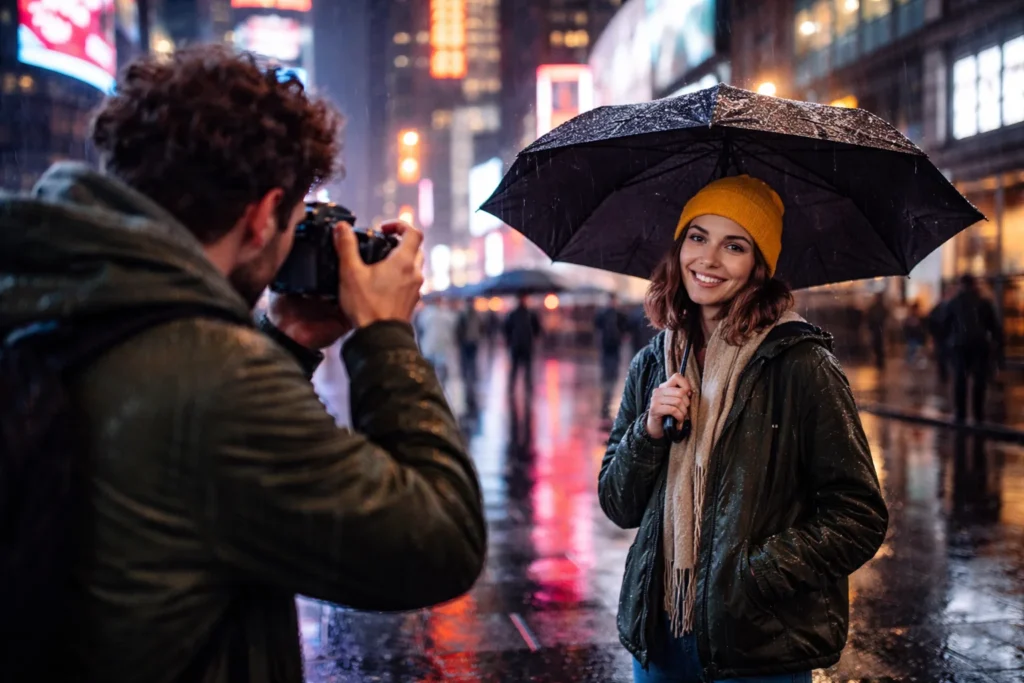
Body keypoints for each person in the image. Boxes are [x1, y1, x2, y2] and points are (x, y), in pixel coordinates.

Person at [0, 46, 486, 683]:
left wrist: (285, 340)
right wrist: (385, 333)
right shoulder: (212, 376)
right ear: (261, 218)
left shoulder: (63, 296)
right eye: (295, 221)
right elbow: (439, 541)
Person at [597, 175, 888, 683]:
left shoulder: (800, 364)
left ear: (759, 266)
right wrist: (649, 432)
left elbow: (858, 515)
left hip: (758, 645)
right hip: (660, 636)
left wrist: (753, 574)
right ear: (678, 247)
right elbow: (618, 503)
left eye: (734, 245)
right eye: (697, 236)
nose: (708, 260)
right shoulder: (653, 363)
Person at [942, 274, 1002, 424]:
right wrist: (996, 345)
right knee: (979, 380)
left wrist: (947, 343)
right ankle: (978, 414)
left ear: (961, 285)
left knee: (960, 380)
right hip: (979, 346)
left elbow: (944, 325)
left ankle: (960, 414)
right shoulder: (983, 302)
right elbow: (994, 327)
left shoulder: (954, 303)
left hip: (960, 346)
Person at [595, 293, 628, 418]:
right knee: (607, 364)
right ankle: (607, 380)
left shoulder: (618, 314)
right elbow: (597, 325)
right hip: (606, 345)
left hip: (614, 345)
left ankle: (611, 380)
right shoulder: (604, 313)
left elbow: (625, 326)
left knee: (613, 365)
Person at [414, 298, 459, 385]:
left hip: (428, 347)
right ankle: (439, 387)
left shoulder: (426, 314)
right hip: (441, 348)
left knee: (429, 370)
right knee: (441, 371)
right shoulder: (446, 315)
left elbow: (420, 330)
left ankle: (431, 386)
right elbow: (453, 330)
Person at [505, 294, 542, 394]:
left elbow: (506, 329)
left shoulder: (516, 314)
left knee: (522, 368)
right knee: (521, 368)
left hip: (521, 345)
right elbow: (537, 329)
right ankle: (520, 387)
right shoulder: (527, 314)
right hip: (522, 345)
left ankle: (519, 387)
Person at [456, 298, 484, 392]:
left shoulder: (465, 314)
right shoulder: (474, 314)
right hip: (471, 340)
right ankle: (470, 376)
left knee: (468, 361)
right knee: (470, 361)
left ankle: (468, 376)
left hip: (469, 341)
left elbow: (459, 329)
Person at [866, 292, 888, 369]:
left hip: (877, 329)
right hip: (877, 329)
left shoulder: (878, 307)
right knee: (878, 345)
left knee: (878, 345)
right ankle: (879, 361)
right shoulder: (879, 307)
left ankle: (879, 361)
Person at [903, 299, 927, 367]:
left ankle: (912, 363)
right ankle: (911, 363)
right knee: (913, 350)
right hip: (913, 337)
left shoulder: (918, 317)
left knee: (914, 350)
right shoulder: (913, 317)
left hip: (915, 337)